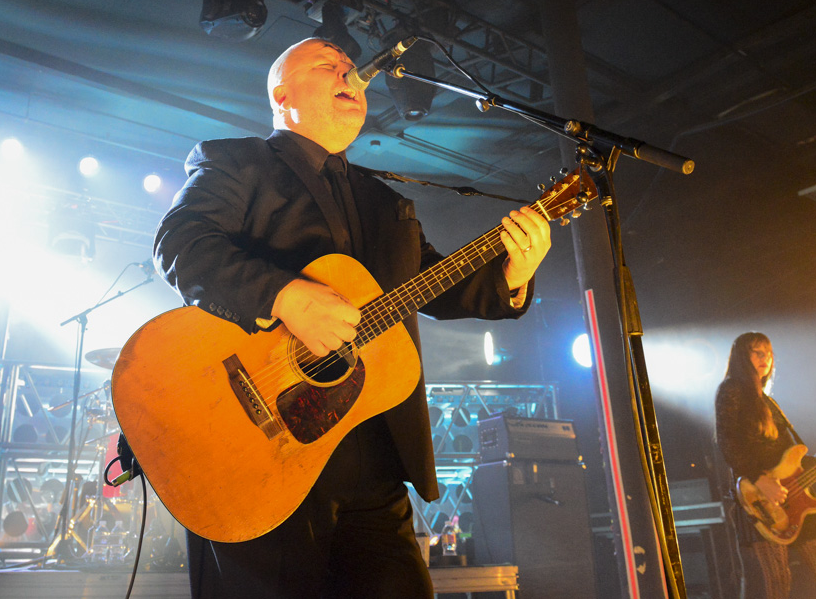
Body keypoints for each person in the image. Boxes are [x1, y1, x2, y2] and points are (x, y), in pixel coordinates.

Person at [152, 37, 551, 599]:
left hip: (377, 456)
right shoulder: (235, 161)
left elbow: (433, 285)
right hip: (264, 451)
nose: (350, 74)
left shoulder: (386, 201)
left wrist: (510, 277)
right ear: (281, 93)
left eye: (351, 69)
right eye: (328, 64)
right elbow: (181, 244)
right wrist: (285, 297)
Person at [714, 332, 816, 599]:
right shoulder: (732, 389)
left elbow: (791, 455)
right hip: (759, 498)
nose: (765, 358)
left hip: (799, 497)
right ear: (741, 358)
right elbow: (728, 443)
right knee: (777, 583)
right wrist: (759, 479)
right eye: (756, 352)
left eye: (768, 353)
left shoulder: (768, 401)